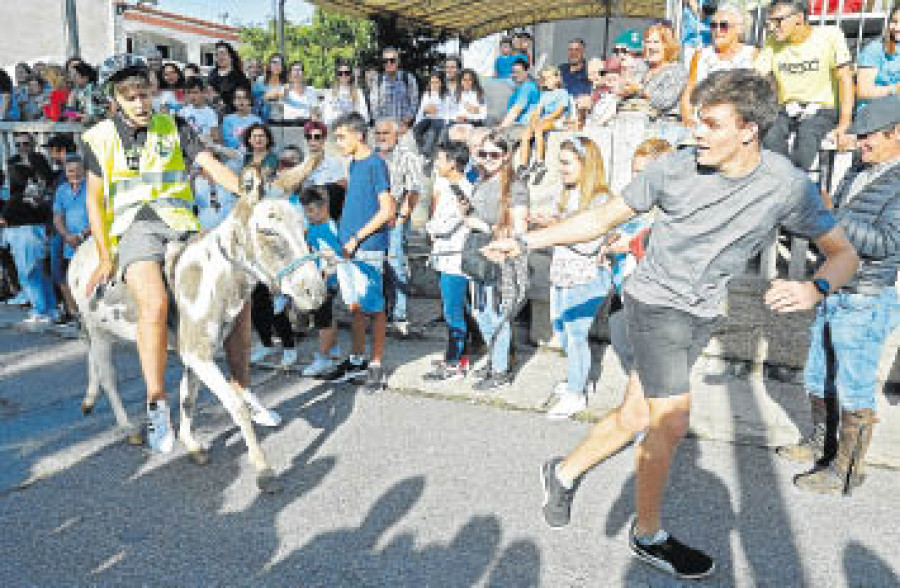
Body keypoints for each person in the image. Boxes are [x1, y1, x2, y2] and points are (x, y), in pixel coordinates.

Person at [484, 69, 859, 580]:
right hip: (653, 304)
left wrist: (814, 287)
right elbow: (600, 220)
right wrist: (525, 242)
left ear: (748, 129)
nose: (696, 133)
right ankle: (649, 535)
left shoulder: (787, 186)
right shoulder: (672, 170)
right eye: (695, 121)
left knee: (637, 413)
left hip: (702, 312)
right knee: (670, 421)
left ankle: (563, 471)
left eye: (710, 124)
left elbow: (843, 255)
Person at [81, 54, 279, 454]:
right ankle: (157, 405)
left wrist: (247, 194)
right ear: (115, 99)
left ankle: (242, 389)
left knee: (237, 293)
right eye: (129, 96)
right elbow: (94, 202)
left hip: (181, 222)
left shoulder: (174, 125)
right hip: (135, 228)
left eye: (143, 94)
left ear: (152, 93)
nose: (139, 103)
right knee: (152, 305)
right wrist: (105, 256)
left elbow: (210, 166)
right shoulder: (97, 137)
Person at [779, 95, 900, 495]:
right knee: (818, 375)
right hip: (837, 287)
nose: (860, 144)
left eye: (869, 138)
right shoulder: (861, 169)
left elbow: (885, 242)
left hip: (866, 296)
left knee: (854, 386)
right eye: (860, 136)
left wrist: (836, 215)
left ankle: (846, 471)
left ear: (896, 134)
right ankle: (822, 446)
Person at [532, 136, 613, 419]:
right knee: (563, 331)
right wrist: (545, 222)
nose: (562, 169)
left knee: (576, 336)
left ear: (585, 163)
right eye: (560, 162)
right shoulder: (568, 193)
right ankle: (578, 377)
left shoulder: (601, 198)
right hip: (562, 273)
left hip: (587, 276)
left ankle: (576, 395)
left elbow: (589, 244)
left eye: (567, 162)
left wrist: (556, 226)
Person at [323, 112, 395, 390]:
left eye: (341, 137)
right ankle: (356, 360)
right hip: (347, 247)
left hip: (367, 247)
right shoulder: (354, 164)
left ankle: (375, 364)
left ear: (358, 135)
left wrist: (356, 237)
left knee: (374, 308)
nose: (338, 142)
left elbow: (387, 210)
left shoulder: (376, 164)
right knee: (355, 307)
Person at [755, 0, 855, 171]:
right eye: (768, 22)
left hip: (823, 109)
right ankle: (783, 179)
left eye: (778, 21)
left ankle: (797, 184)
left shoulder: (830, 35)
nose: (772, 27)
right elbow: (754, 77)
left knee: (807, 134)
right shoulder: (773, 42)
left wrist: (844, 123)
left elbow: (845, 79)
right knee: (768, 130)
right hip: (787, 109)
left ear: (799, 18)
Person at [466, 130, 530, 391]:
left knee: (496, 316)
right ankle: (496, 359)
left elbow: (520, 230)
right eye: (483, 153)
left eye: (494, 154)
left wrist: (482, 225)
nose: (488, 158)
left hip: (501, 259)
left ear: (506, 156)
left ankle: (501, 370)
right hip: (478, 254)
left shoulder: (515, 186)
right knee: (480, 312)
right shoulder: (481, 181)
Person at [423, 141, 474, 381]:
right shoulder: (447, 185)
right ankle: (455, 356)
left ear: (453, 163)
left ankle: (455, 364)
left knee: (453, 313)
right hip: (444, 259)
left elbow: (444, 225)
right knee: (454, 310)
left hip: (455, 261)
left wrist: (429, 227)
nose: (436, 163)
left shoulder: (462, 189)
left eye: (440, 159)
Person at [375, 117, 425, 336]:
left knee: (396, 263)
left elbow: (414, 190)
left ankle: (400, 315)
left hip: (395, 219)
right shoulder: (372, 156)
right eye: (378, 133)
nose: (381, 137)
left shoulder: (408, 157)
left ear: (397, 135)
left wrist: (402, 216)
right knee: (378, 265)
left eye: (385, 133)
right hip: (374, 219)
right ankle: (380, 312)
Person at [681, 1, 757, 126]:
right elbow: (689, 91)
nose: (717, 30)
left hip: (735, 123)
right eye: (713, 25)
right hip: (702, 121)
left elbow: (756, 94)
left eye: (724, 25)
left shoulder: (751, 55)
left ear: (738, 29)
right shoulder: (701, 55)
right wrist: (688, 119)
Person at [0, 164, 57, 324]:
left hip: (23, 239)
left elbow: (4, 220)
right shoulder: (34, 197)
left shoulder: (14, 200)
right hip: (39, 237)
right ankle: (52, 309)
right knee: (43, 275)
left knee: (29, 276)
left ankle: (39, 311)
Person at [299, 185, 343, 377]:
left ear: (324, 207)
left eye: (311, 210)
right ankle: (333, 350)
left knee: (322, 320)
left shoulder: (330, 227)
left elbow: (337, 255)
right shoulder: (313, 227)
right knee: (325, 318)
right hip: (315, 279)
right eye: (305, 211)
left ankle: (323, 358)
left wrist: (327, 275)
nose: (307, 215)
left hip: (326, 281)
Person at [622, 22, 688, 146]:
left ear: (668, 45)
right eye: (648, 42)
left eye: (656, 42)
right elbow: (624, 91)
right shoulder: (641, 67)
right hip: (632, 126)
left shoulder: (676, 70)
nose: (651, 47)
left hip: (664, 131)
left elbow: (664, 101)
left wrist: (640, 90)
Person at [517, 66, 571, 183]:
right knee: (526, 134)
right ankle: (523, 165)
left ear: (557, 79)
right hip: (544, 121)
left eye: (548, 78)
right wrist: (533, 121)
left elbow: (559, 111)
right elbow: (537, 110)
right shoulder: (544, 95)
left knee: (539, 129)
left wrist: (545, 119)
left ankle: (540, 162)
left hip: (558, 121)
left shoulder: (562, 93)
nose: (546, 81)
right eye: (544, 79)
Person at [52, 155, 89, 321]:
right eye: (69, 171)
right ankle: (74, 313)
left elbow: (101, 215)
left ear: (83, 170)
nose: (72, 173)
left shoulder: (93, 187)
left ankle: (89, 314)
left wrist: (82, 235)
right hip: (69, 241)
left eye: (75, 170)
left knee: (88, 277)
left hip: (90, 240)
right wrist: (67, 235)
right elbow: (57, 216)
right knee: (67, 277)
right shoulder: (62, 190)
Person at [855, 6, 899, 108]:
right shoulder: (875, 48)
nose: (897, 28)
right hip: (874, 110)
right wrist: (895, 89)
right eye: (894, 22)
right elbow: (863, 91)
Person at [370, 47, 419, 129]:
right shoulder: (377, 81)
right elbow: (374, 106)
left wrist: (406, 122)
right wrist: (382, 125)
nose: (388, 63)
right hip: (384, 130)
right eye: (385, 61)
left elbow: (414, 103)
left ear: (397, 62)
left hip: (403, 129)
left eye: (392, 60)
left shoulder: (408, 78)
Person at [265, 60, 320, 128]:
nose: (297, 73)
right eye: (294, 70)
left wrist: (314, 117)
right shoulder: (284, 89)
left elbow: (315, 111)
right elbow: (267, 97)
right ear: (290, 75)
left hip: (306, 124)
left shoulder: (311, 90)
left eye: (299, 70)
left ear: (303, 74)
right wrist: (280, 93)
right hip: (288, 123)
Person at [498, 59, 540, 137]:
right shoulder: (519, 87)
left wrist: (501, 128)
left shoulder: (527, 87)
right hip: (517, 126)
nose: (515, 75)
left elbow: (516, 110)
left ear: (526, 72)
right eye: (513, 72)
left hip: (523, 128)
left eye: (518, 72)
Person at [413, 72, 449, 162]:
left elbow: (448, 111)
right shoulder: (426, 94)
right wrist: (418, 121)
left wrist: (436, 112)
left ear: (441, 83)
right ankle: (422, 150)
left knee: (432, 131)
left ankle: (426, 153)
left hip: (439, 119)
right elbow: (422, 110)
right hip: (427, 118)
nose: (434, 85)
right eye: (432, 82)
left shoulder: (446, 95)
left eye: (436, 82)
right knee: (417, 130)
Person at [322, 60, 370, 126]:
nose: (343, 75)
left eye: (347, 73)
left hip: (353, 128)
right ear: (337, 75)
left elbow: (365, 116)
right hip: (336, 128)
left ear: (350, 74)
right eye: (340, 73)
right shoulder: (330, 93)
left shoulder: (358, 92)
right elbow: (327, 118)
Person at [208, 41, 251, 115]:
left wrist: (221, 103)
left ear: (231, 56)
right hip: (212, 116)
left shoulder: (240, 77)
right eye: (217, 54)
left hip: (232, 117)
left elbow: (246, 102)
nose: (219, 57)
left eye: (222, 53)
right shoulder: (212, 74)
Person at [221, 87, 262, 154]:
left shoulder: (257, 121)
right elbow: (228, 141)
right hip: (234, 157)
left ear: (249, 101)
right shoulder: (227, 120)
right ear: (234, 102)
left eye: (244, 98)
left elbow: (260, 141)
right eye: (238, 98)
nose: (241, 101)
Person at [181, 77, 221, 145]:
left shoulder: (210, 113)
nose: (192, 96)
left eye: (195, 92)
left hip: (204, 147)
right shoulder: (183, 111)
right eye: (189, 92)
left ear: (203, 92)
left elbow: (216, 138)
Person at [255, 53, 287, 121]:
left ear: (283, 67)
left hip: (283, 120)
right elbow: (253, 100)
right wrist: (266, 97)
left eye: (280, 64)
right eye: (274, 63)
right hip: (263, 119)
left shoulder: (287, 83)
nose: (277, 66)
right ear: (269, 65)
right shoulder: (260, 81)